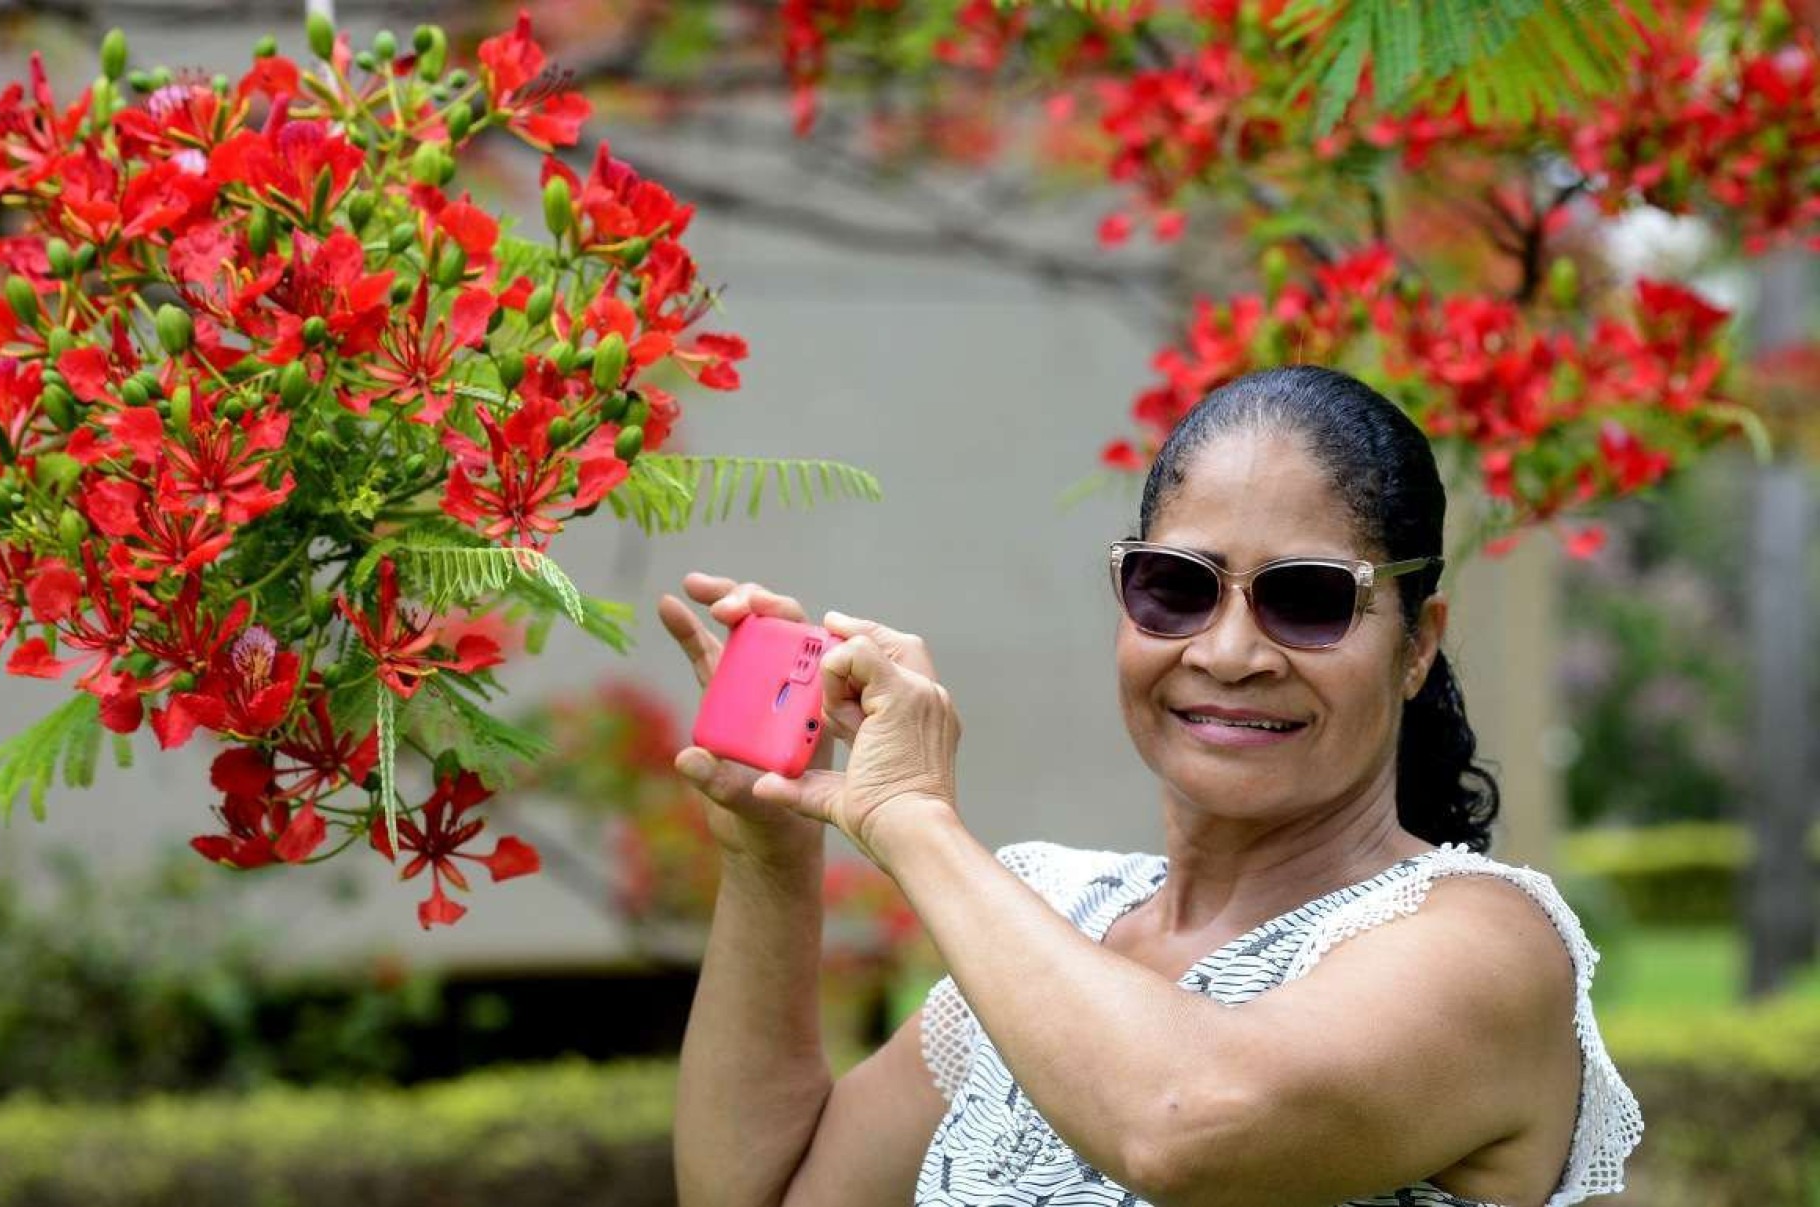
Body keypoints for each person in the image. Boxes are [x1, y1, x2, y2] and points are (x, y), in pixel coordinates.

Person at [658, 365, 1642, 1207]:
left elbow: (1183, 1125)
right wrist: (771, 852)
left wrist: (912, 816)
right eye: (1179, 585)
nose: (1228, 651)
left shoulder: (1489, 944)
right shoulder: (1058, 913)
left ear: (1418, 643)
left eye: (1308, 599)